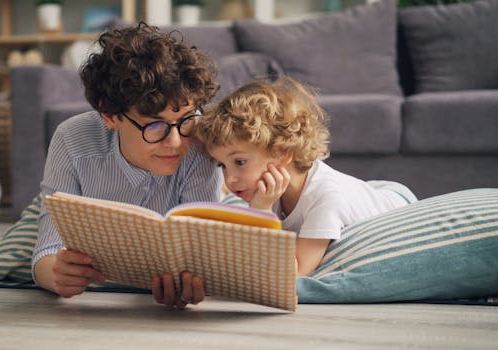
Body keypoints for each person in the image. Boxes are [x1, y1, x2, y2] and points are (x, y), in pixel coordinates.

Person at [31, 22, 222, 309]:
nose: (175, 142)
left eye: (185, 119)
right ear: (110, 117)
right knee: (27, 226)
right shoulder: (72, 139)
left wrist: (192, 280)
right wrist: (57, 274)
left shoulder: (196, 141)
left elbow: (202, 252)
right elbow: (47, 252)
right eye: (155, 126)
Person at [194, 77, 417, 276]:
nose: (229, 179)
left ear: (282, 153)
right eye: (222, 165)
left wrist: (261, 213)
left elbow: (295, 272)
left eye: (239, 162)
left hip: (398, 203)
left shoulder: (325, 198)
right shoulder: (269, 189)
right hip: (370, 190)